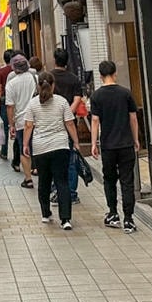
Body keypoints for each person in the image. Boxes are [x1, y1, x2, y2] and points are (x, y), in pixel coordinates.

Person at [88, 60, 141, 233]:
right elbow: (133, 118)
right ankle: (129, 219)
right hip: (126, 144)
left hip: (108, 145)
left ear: (101, 76)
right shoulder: (125, 93)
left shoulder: (97, 96)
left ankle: (113, 214)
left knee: (109, 180)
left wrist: (94, 142)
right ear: (115, 73)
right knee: (127, 181)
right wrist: (135, 139)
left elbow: (95, 121)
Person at [22, 70, 79, 229]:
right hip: (60, 146)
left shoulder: (33, 103)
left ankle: (46, 213)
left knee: (44, 182)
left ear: (38, 86)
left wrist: (25, 145)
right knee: (62, 181)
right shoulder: (62, 102)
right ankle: (66, 219)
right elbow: (69, 123)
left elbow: (28, 126)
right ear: (53, 85)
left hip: (40, 148)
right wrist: (76, 141)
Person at [51, 47, 85, 204]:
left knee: (55, 158)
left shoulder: (49, 77)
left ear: (54, 60)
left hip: (52, 123)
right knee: (71, 157)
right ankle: (71, 192)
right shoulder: (74, 79)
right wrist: (67, 114)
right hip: (70, 123)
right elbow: (78, 98)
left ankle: (58, 190)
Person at [4, 55, 38, 185]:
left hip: (21, 121)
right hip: (37, 119)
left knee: (25, 149)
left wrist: (11, 124)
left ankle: (28, 178)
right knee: (38, 147)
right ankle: (39, 169)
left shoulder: (11, 84)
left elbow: (10, 107)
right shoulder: (36, 78)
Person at [0, 49, 15, 161]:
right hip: (16, 101)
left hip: (4, 100)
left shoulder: (1, 72)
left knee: (5, 127)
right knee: (16, 125)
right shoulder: (17, 70)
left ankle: (4, 151)